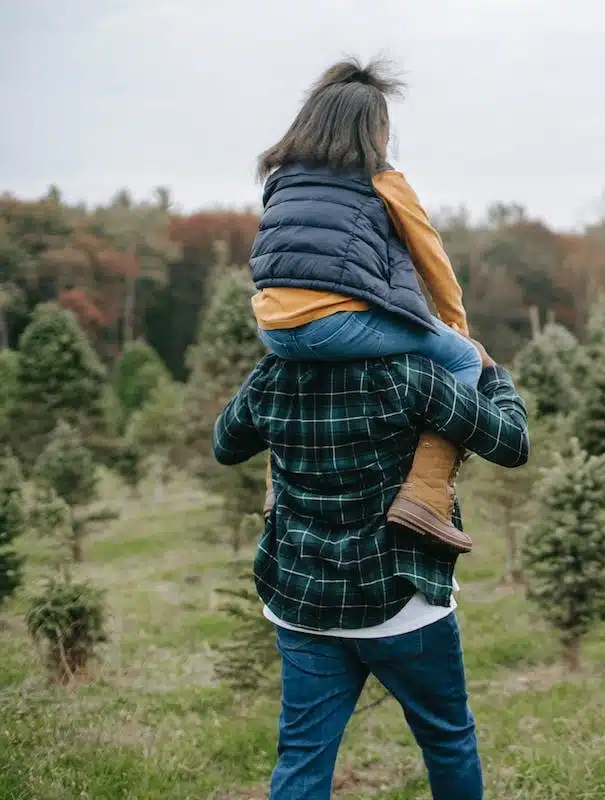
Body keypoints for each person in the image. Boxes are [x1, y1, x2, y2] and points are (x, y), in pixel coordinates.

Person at [213, 336, 529, 799]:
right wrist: (492, 372)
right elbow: (511, 442)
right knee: (447, 739)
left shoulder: (275, 372)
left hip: (304, 603)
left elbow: (226, 444)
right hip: (402, 604)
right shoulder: (407, 374)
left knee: (302, 754)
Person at [248, 58, 479, 553]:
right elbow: (430, 255)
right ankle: (426, 494)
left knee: (292, 378)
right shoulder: (380, 179)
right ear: (373, 130)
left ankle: (276, 492)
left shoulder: (283, 178)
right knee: (462, 359)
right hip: (333, 324)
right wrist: (458, 328)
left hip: (274, 330)